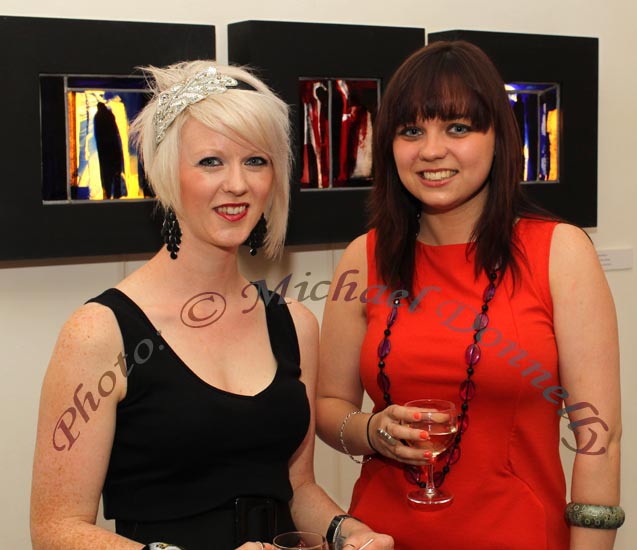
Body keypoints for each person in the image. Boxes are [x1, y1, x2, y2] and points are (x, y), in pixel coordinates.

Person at [30, 61, 393, 550]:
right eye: (211, 162)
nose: (238, 184)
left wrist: (346, 531)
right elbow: (55, 529)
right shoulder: (101, 333)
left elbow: (297, 488)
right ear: (166, 174)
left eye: (256, 161)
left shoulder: (294, 325)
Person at [316, 41, 623, 549]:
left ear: (499, 138)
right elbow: (330, 406)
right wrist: (373, 432)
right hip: (380, 536)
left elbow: (600, 441)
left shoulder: (558, 252)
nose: (431, 150)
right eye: (411, 130)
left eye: (457, 128)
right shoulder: (362, 258)